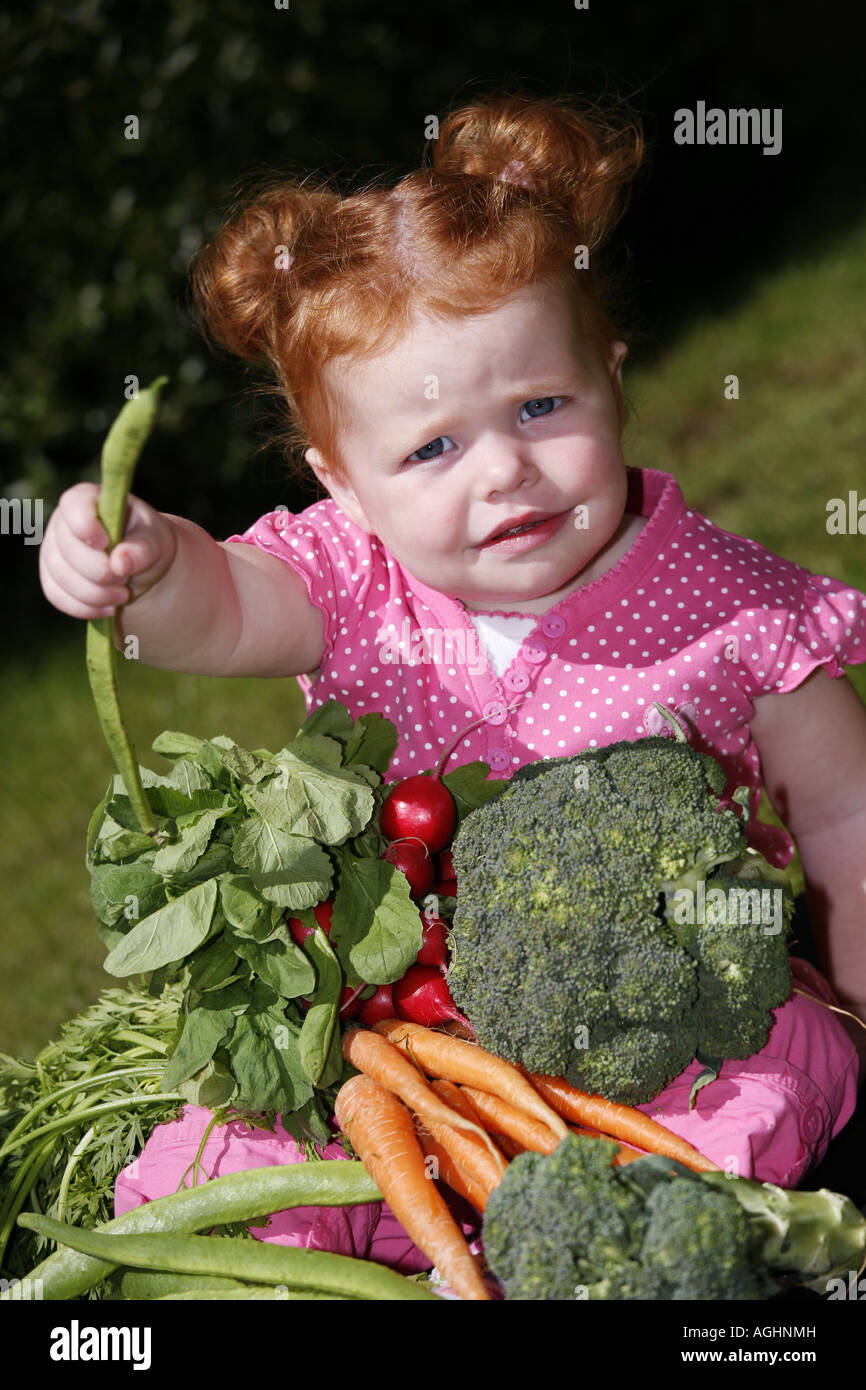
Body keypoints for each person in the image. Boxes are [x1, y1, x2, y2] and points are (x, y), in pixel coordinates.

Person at [39, 93, 866, 1273]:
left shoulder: (726, 604)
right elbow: (219, 611)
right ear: (341, 480)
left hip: (667, 1015)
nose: (504, 471)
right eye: (430, 448)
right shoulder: (345, 578)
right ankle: (353, 1239)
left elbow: (845, 809)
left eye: (540, 406)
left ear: (613, 377)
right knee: (235, 1164)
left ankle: (591, 1246)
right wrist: (149, 564)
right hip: (400, 1039)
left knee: (767, 1082)